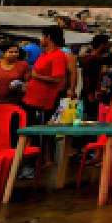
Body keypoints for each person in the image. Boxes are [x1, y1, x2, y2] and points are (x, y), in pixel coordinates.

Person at [22, 28, 69, 165]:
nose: (41, 40)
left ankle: (38, 160)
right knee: (30, 129)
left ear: (48, 37)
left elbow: (58, 79)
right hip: (31, 98)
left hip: (43, 101)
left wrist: (37, 76)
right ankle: (34, 158)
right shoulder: (44, 55)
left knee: (40, 131)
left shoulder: (58, 55)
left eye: (42, 37)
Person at [0, 43, 29, 108]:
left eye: (16, 52)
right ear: (3, 53)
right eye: (11, 52)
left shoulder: (23, 65)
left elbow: (27, 84)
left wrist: (19, 86)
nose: (14, 54)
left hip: (14, 102)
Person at [78, 34, 110, 114]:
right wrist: (90, 94)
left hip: (95, 94)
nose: (108, 46)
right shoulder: (92, 59)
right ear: (102, 45)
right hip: (91, 95)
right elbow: (87, 77)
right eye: (107, 44)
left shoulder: (97, 58)